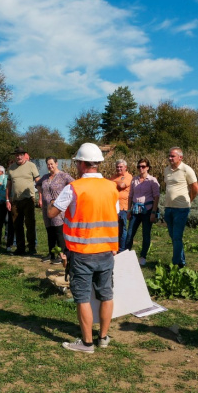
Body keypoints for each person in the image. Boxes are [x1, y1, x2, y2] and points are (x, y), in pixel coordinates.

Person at [47, 142, 118, 354]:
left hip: (81, 252)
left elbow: (52, 213)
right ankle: (103, 337)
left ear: (82, 164)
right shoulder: (111, 187)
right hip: (107, 250)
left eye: (77, 162)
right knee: (106, 294)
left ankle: (87, 343)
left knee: (82, 297)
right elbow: (114, 214)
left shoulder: (74, 188)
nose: (76, 165)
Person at [163, 147, 198, 268]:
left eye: (172, 156)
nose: (170, 158)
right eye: (169, 155)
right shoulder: (166, 170)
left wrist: (189, 200)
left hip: (181, 209)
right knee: (173, 237)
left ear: (180, 157)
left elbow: (195, 188)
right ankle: (181, 261)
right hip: (168, 207)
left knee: (177, 236)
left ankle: (175, 263)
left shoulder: (186, 170)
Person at [37, 156, 74, 264]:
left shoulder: (63, 176)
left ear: (56, 164)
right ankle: (51, 253)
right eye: (48, 164)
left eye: (52, 163)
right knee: (50, 231)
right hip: (46, 208)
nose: (50, 166)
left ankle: (62, 255)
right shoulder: (45, 177)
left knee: (58, 231)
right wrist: (41, 195)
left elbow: (75, 185)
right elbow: (38, 185)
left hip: (58, 208)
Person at [6, 146, 40, 256]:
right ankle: (20, 248)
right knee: (17, 225)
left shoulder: (31, 166)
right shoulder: (11, 168)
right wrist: (7, 200)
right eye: (16, 155)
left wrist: (41, 196)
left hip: (28, 199)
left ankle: (31, 248)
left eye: (20, 154)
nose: (18, 156)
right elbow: (9, 185)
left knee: (30, 224)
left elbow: (38, 181)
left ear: (24, 155)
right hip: (15, 201)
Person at [125, 158, 160, 266]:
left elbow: (156, 196)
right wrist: (129, 210)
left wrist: (153, 212)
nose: (141, 168)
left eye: (143, 166)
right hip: (135, 210)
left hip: (147, 210)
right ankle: (126, 254)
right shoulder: (134, 180)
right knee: (130, 233)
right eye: (139, 166)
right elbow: (131, 195)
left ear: (148, 168)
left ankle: (143, 256)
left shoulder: (152, 180)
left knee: (146, 234)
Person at [110, 159, 132, 248]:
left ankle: (122, 249)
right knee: (115, 228)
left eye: (121, 167)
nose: (119, 168)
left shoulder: (128, 176)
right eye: (117, 167)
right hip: (113, 207)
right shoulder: (114, 176)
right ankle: (115, 247)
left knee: (123, 229)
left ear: (125, 167)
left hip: (123, 207)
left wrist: (113, 183)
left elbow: (122, 185)